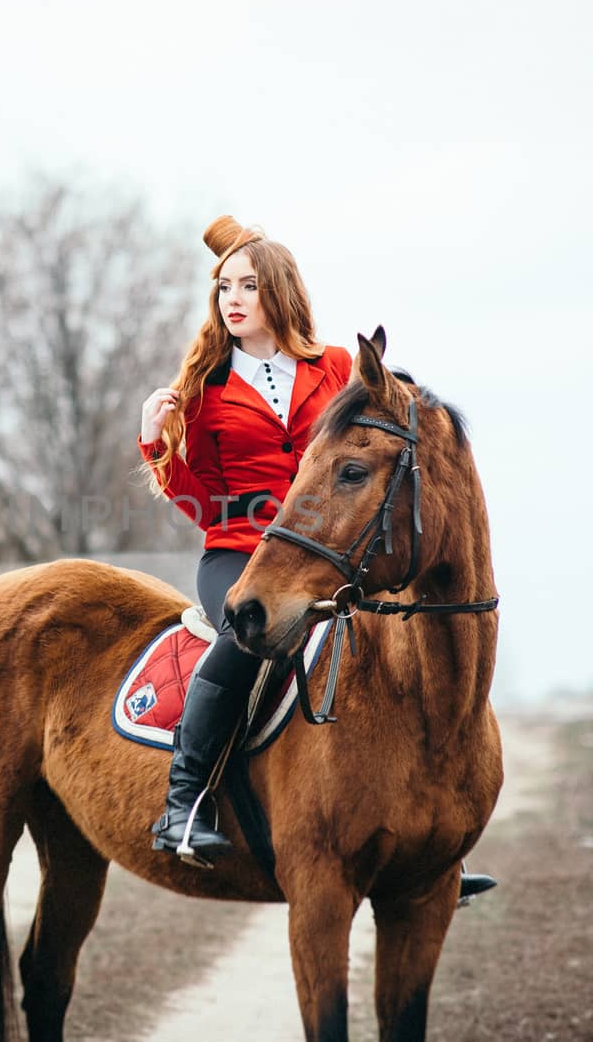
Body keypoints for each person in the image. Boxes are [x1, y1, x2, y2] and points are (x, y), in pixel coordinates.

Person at [136, 217, 498, 901]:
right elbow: (198, 497)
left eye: (247, 286)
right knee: (246, 644)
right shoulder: (206, 388)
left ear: (279, 292)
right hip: (242, 555)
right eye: (223, 290)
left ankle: (432, 844)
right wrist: (157, 445)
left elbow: (393, 423)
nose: (232, 301)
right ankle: (184, 802)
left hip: (336, 552)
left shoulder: (335, 366)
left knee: (420, 645)